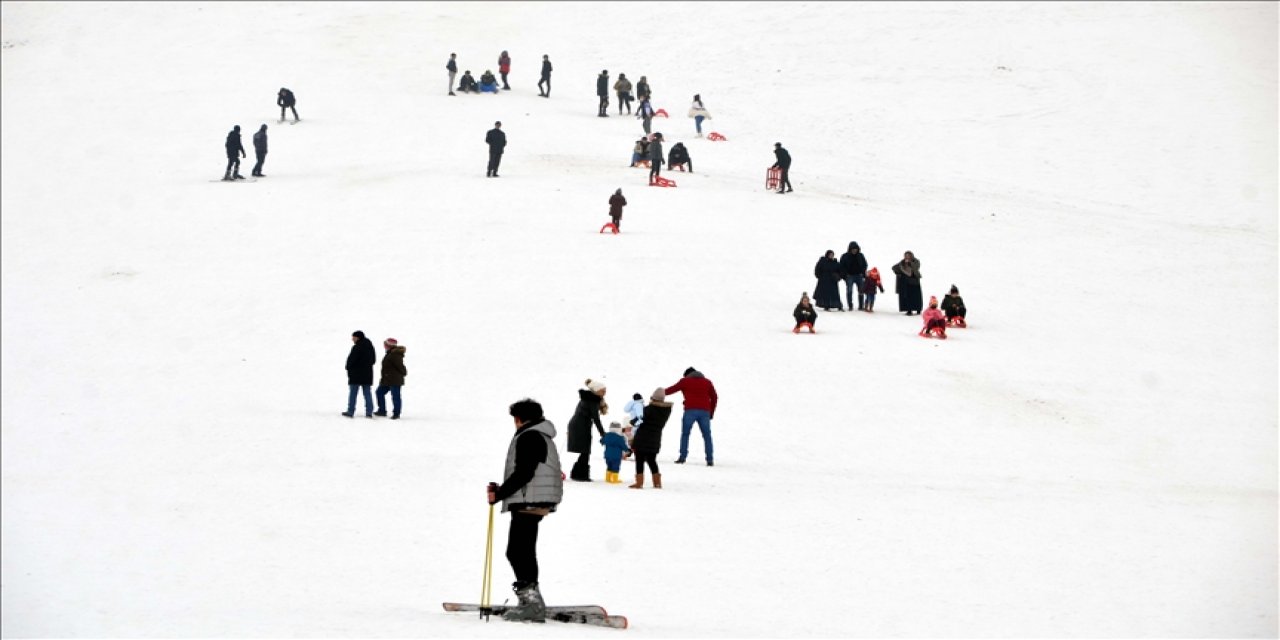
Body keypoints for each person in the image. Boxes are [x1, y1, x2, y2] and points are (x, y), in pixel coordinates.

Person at [487, 398, 563, 623]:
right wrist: (501, 491)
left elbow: (524, 473)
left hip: (531, 500)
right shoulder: (540, 434)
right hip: (535, 498)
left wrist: (499, 494)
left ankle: (532, 604)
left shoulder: (529, 436)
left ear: (519, 419)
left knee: (518, 551)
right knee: (522, 549)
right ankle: (530, 600)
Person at [664, 367, 718, 466]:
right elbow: (714, 397)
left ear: (687, 375)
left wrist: (659, 394)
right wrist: (711, 412)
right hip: (705, 412)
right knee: (707, 436)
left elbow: (672, 389)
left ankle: (682, 457)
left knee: (685, 434)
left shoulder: (685, 381)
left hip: (690, 411)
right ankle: (710, 459)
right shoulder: (707, 382)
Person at [629, 388, 672, 489]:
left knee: (639, 459)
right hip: (655, 439)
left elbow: (638, 420)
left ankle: (639, 483)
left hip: (642, 438)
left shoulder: (649, 409)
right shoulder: (666, 411)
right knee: (652, 460)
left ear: (653, 398)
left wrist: (632, 421)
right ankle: (657, 482)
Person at [566, 378, 607, 481]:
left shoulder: (589, 398)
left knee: (585, 450)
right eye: (603, 391)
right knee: (585, 449)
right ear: (596, 391)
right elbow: (596, 418)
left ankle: (577, 473)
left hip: (579, 425)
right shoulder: (592, 400)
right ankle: (581, 475)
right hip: (580, 426)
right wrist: (602, 433)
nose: (605, 393)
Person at [343, 330, 376, 418]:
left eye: (353, 337)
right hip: (367, 374)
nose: (352, 339)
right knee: (367, 393)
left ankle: (350, 411)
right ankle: (369, 412)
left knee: (353, 393)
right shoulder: (370, 347)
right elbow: (373, 360)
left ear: (358, 337)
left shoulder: (356, 347)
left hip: (356, 375)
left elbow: (351, 361)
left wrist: (348, 367)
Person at [374, 338, 406, 419]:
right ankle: (382, 410)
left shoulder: (395, 354)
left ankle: (396, 414)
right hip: (387, 379)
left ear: (389, 345)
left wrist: (403, 373)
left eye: (385, 344)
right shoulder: (389, 353)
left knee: (395, 396)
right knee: (379, 392)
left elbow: (401, 367)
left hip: (394, 380)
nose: (384, 345)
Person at [892, 251, 923, 315]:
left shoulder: (916, 261)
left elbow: (916, 267)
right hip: (906, 283)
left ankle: (918, 309)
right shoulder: (902, 262)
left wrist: (910, 263)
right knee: (908, 297)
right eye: (906, 255)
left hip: (914, 282)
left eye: (908, 255)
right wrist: (898, 270)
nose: (907, 257)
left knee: (916, 297)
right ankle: (909, 310)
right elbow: (895, 267)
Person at [838, 242, 868, 310]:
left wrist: (863, 272)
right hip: (849, 276)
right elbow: (841, 266)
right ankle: (850, 306)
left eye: (856, 249)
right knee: (849, 291)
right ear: (850, 249)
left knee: (861, 291)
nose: (854, 250)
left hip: (859, 276)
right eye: (853, 249)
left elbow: (865, 264)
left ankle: (861, 306)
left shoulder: (861, 255)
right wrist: (845, 275)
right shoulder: (845, 256)